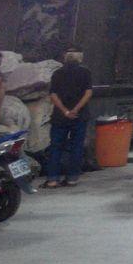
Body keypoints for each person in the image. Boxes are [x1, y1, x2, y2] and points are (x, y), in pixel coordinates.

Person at [42, 48, 92, 189]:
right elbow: (88, 93)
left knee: (56, 147)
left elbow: (53, 95)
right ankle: (72, 179)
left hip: (60, 117)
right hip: (80, 116)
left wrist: (65, 111)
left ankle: (52, 180)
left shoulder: (57, 73)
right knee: (76, 147)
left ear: (65, 58)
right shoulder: (85, 72)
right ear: (80, 58)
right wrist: (76, 109)